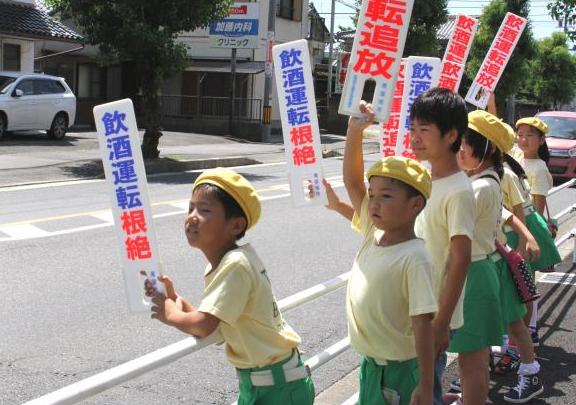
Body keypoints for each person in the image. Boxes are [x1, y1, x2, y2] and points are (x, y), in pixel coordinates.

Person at [144, 167, 315, 405]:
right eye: (190, 207)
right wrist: (176, 299)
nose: (192, 216)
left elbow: (205, 326)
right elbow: (218, 324)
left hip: (277, 389)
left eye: (204, 210)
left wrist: (170, 313)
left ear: (235, 226)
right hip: (268, 383)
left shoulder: (235, 265)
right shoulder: (234, 260)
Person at [341, 101, 437, 405]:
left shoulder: (415, 257)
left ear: (415, 205)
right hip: (371, 367)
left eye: (386, 196)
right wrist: (353, 132)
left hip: (399, 373)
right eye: (373, 196)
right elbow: (353, 182)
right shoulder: (374, 231)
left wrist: (425, 384)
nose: (374, 204)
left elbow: (423, 326)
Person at [409, 88, 475, 405]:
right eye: (412, 129)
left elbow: (460, 260)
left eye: (424, 130)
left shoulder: (459, 190)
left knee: (425, 392)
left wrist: (441, 324)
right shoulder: (423, 178)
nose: (414, 137)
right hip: (414, 309)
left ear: (451, 135)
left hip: (432, 316)